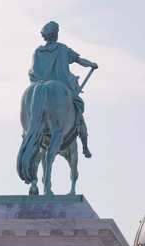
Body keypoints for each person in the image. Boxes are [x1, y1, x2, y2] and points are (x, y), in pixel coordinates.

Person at [28, 21, 97, 158]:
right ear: (56, 35)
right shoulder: (62, 49)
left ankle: (27, 133)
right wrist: (92, 64)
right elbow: (79, 60)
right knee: (78, 110)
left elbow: (33, 72)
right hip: (62, 88)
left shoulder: (37, 52)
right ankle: (84, 146)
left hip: (39, 87)